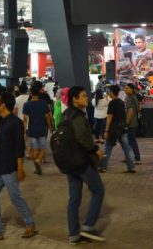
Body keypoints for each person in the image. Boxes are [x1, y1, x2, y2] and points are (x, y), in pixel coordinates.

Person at [0, 92, 37, 241]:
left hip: (10, 168)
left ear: (4, 105)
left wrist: (20, 168)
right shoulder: (1, 121)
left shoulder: (16, 123)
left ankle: (30, 224)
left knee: (15, 198)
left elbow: (19, 148)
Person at [63, 86, 107, 244]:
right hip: (81, 161)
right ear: (74, 99)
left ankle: (73, 234)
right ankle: (88, 226)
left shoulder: (65, 114)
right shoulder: (78, 116)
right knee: (98, 190)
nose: (87, 98)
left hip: (69, 161)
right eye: (83, 96)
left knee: (74, 198)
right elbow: (82, 137)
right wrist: (95, 150)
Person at [99, 85, 135, 173]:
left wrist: (106, 130)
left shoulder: (112, 103)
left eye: (109, 91)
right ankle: (131, 167)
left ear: (111, 92)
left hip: (113, 129)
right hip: (122, 128)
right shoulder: (121, 102)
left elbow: (109, 118)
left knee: (108, 148)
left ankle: (103, 167)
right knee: (127, 148)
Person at [23, 81, 54, 175]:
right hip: (42, 129)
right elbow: (47, 117)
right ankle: (39, 161)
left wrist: (24, 131)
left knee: (35, 150)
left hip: (32, 129)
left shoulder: (27, 104)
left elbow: (25, 119)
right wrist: (50, 127)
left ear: (31, 93)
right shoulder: (43, 103)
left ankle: (37, 165)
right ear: (39, 92)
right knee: (43, 149)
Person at [123, 83, 142, 164]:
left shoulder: (130, 98)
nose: (125, 89)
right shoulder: (131, 97)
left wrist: (126, 123)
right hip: (133, 122)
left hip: (131, 123)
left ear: (132, 89)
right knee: (130, 141)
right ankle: (129, 157)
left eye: (127, 88)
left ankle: (137, 158)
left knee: (132, 141)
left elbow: (130, 112)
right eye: (125, 88)